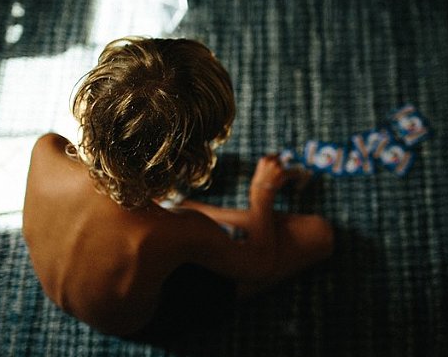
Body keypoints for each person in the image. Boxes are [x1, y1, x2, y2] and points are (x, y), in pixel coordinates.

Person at [22, 36, 334, 339]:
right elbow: (259, 265)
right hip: (136, 322)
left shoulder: (47, 149)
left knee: (180, 227)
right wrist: (261, 195)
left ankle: (177, 206)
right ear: (189, 159)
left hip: (69, 289)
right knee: (318, 234)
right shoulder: (171, 232)